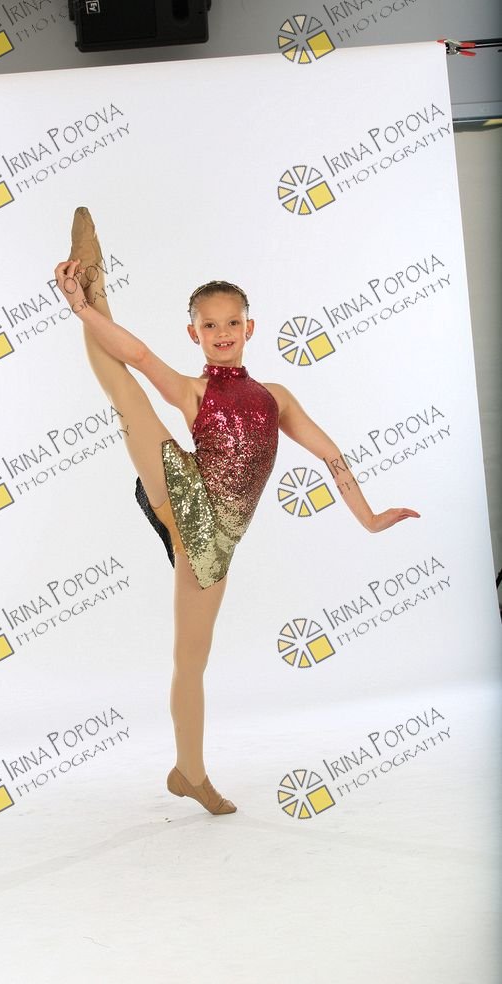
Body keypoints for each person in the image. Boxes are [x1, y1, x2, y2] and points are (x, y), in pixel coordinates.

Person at [54, 207, 419, 817]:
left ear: (250, 327)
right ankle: (93, 288)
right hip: (181, 490)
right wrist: (83, 311)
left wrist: (369, 517)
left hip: (215, 544)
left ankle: (186, 772)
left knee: (191, 659)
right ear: (193, 333)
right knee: (128, 393)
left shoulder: (277, 398)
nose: (221, 332)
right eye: (209, 324)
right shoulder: (194, 391)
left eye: (231, 322)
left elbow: (331, 455)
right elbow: (138, 355)